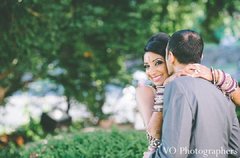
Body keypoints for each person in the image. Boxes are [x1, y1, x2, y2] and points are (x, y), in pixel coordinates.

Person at [136, 32, 240, 157]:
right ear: (201, 56)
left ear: (170, 57)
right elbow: (235, 149)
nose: (151, 71)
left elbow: (174, 153)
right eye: (147, 66)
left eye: (158, 63)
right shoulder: (221, 92)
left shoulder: (178, 88)